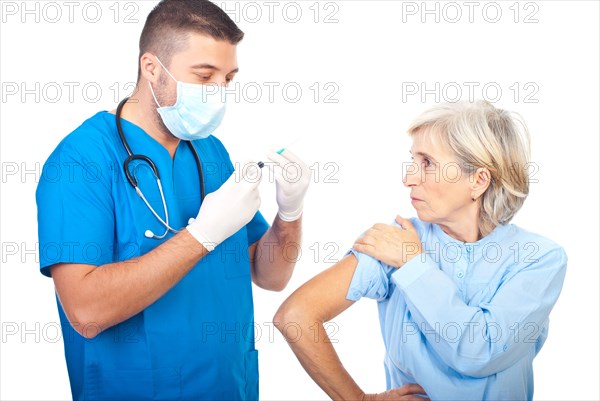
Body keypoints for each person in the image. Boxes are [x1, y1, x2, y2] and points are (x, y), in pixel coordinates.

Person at [35, 1, 311, 399]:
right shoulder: (82, 160)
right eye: (204, 76)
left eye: (228, 78)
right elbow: (86, 312)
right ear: (151, 68)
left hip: (230, 386)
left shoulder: (210, 151)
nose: (218, 92)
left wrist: (291, 211)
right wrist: (201, 236)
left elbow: (270, 276)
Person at [274, 100, 567, 400]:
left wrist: (413, 264)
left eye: (427, 163)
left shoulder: (538, 260)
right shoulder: (395, 240)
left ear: (478, 180)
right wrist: (359, 399)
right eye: (413, 161)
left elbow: (479, 351)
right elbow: (296, 315)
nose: (408, 178)